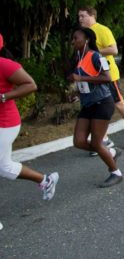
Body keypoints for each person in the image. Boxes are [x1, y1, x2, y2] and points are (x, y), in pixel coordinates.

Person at [0, 32, 59, 228]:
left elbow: (31, 84)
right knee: (5, 167)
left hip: (5, 123)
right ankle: (46, 180)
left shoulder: (5, 65)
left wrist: (3, 97)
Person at [78, 7, 124, 149]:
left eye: (83, 16)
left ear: (92, 16)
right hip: (92, 78)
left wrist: (93, 53)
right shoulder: (82, 34)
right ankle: (103, 140)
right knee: (95, 107)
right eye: (79, 16)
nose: (80, 19)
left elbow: (113, 49)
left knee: (118, 104)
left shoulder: (102, 30)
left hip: (108, 75)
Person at [69, 28, 123, 188]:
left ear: (86, 39)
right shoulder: (78, 57)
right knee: (78, 141)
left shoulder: (96, 56)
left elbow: (107, 78)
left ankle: (116, 172)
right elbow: (86, 82)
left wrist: (80, 77)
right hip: (88, 104)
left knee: (97, 143)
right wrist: (77, 93)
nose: (72, 41)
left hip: (102, 103)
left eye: (75, 38)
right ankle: (111, 153)